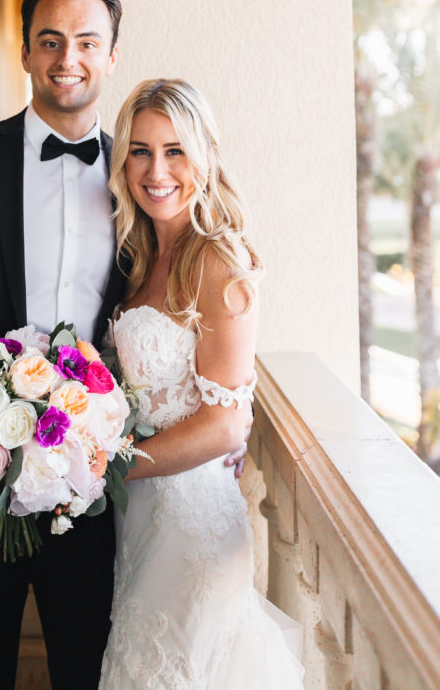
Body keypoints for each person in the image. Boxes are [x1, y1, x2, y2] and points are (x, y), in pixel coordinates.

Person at [0, 0, 248, 690]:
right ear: (24, 53)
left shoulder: (141, 177)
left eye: (85, 42)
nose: (66, 58)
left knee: (92, 671)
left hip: (95, 497)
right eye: (49, 41)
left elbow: (184, 315)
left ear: (110, 58)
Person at [99, 78, 304, 689]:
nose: (156, 170)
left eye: (174, 150)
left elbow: (226, 423)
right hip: (140, 524)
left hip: (192, 529)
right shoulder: (136, 256)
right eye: (139, 150)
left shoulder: (220, 260)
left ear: (206, 155)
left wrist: (103, 466)